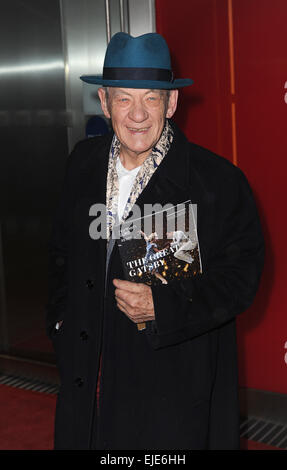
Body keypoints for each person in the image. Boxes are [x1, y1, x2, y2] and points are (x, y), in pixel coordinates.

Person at [46, 32, 264, 450]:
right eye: (124, 99)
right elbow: (61, 252)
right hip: (88, 378)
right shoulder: (83, 162)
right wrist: (60, 323)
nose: (138, 115)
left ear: (172, 103)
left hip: (170, 389)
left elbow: (241, 279)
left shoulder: (215, 181)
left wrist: (162, 307)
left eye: (151, 97)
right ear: (105, 102)